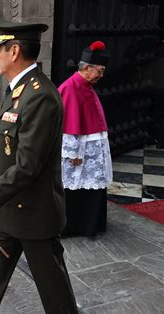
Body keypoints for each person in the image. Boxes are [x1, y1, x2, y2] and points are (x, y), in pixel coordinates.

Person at [0, 18, 78, 314]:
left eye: (0, 50)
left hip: (35, 218)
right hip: (10, 212)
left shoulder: (41, 96)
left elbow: (26, 167)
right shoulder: (18, 90)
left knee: (55, 294)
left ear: (15, 51)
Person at [59, 41, 112, 238]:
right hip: (79, 153)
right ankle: (75, 227)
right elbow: (68, 124)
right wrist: (73, 153)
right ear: (87, 68)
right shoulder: (70, 88)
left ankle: (90, 225)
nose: (102, 75)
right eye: (100, 70)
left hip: (91, 150)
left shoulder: (86, 85)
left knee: (92, 187)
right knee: (75, 189)